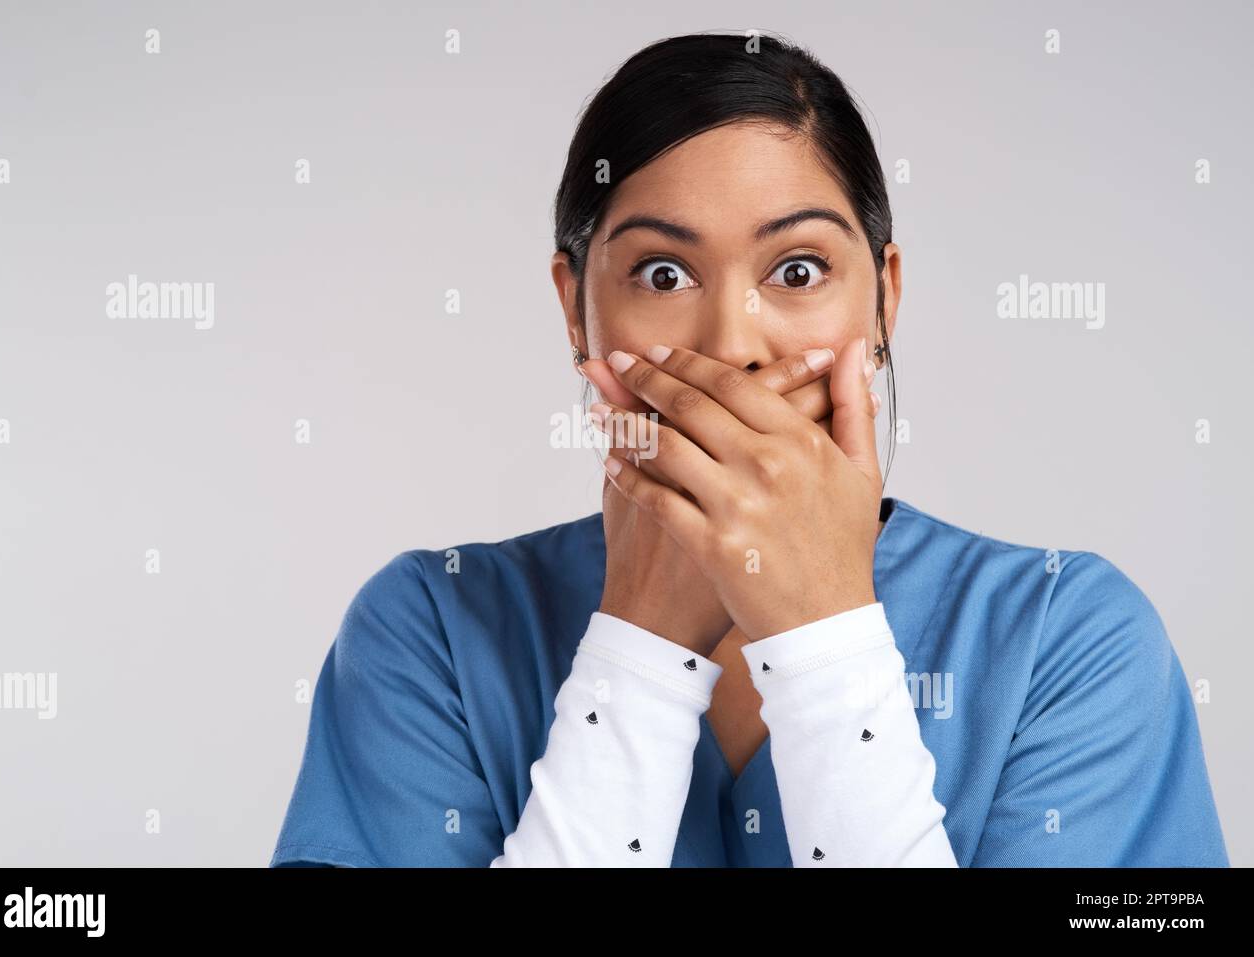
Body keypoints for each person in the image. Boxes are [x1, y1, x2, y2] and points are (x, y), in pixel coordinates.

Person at [269, 32, 1228, 867]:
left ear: (883, 300)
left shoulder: (1072, 638)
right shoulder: (430, 627)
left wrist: (824, 636)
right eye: (663, 271)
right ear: (576, 308)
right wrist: (638, 648)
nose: (733, 343)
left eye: (798, 269)